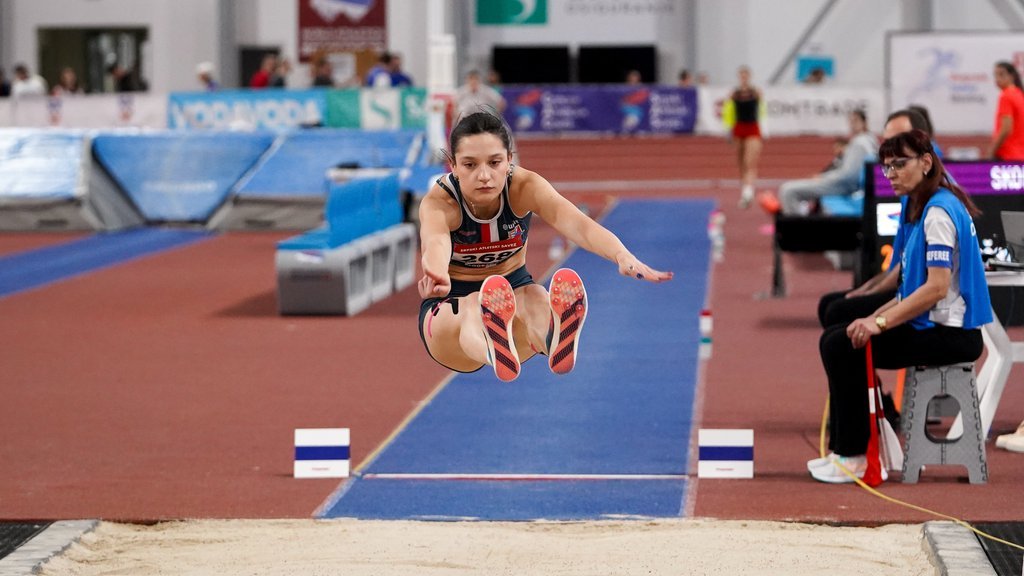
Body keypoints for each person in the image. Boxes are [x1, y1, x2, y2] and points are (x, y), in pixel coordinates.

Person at [417, 112, 673, 382]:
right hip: (450, 321)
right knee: (473, 306)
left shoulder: (524, 186)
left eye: (494, 163)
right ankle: (493, 350)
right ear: (453, 166)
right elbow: (436, 243)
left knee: (537, 296)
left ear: (509, 160)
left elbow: (577, 224)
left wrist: (621, 254)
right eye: (470, 165)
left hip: (512, 305)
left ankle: (554, 340)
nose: (484, 175)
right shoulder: (440, 203)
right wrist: (437, 273)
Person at [809, 129, 992, 483]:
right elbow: (908, 286)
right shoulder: (927, 205)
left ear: (926, 162)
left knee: (840, 345)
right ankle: (846, 449)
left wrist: (878, 324)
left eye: (899, 165)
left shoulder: (939, 213)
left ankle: (855, 455)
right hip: (936, 325)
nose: (890, 174)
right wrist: (874, 314)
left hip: (952, 334)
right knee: (839, 334)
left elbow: (936, 289)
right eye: (887, 167)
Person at [760, 109, 877, 215]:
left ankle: (795, 232)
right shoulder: (871, 140)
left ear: (864, 122)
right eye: (850, 121)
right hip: (847, 184)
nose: (852, 124)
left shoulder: (859, 143)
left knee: (788, 191)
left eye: (855, 121)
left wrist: (823, 178)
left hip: (844, 186)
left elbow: (848, 175)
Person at [722, 66, 763, 208]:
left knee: (749, 162)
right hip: (739, 128)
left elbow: (763, 110)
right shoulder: (734, 93)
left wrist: (765, 129)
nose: (744, 77)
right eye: (741, 75)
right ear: (739, 77)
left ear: (749, 76)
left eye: (746, 75)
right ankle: (744, 190)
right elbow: (728, 112)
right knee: (740, 164)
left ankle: (748, 192)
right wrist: (728, 130)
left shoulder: (756, 92)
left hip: (753, 128)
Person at [987, 61, 1024, 160]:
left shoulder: (1006, 96)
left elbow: (1006, 128)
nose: (997, 79)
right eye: (995, 75)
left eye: (1001, 74)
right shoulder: (1019, 94)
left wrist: (992, 150)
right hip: (1020, 155)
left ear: (1012, 76)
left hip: (1007, 155)